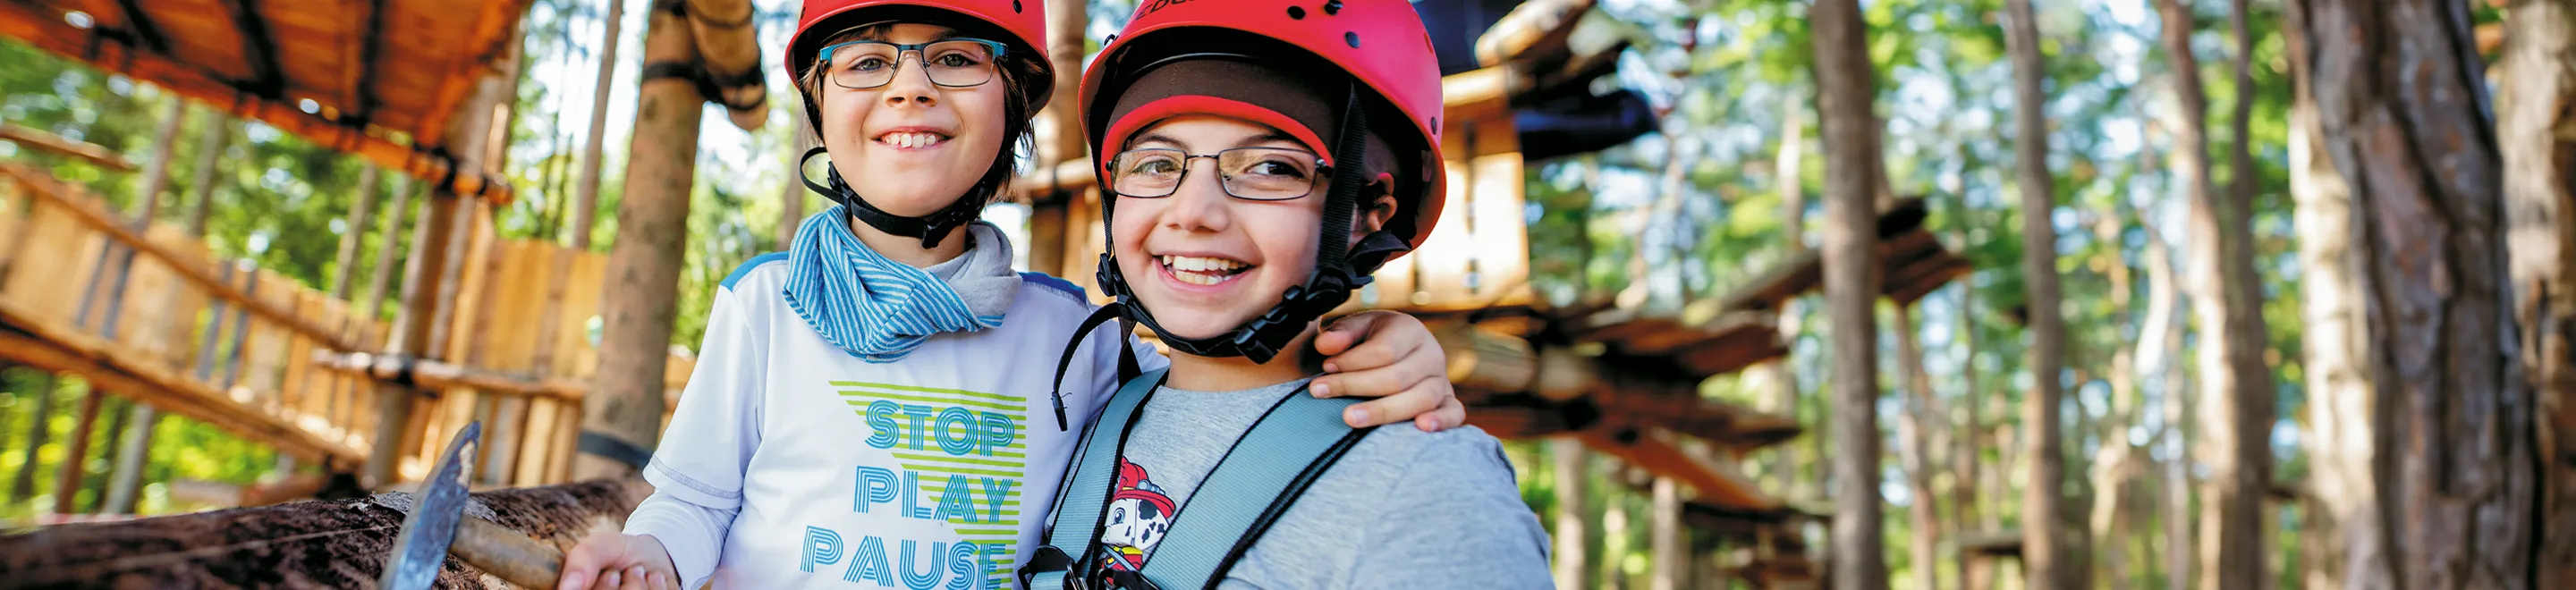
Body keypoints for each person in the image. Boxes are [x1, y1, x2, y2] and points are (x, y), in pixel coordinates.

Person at [552, 0, 1463, 587]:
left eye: (956, 59)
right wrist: (656, 553)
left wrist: (1386, 341)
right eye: (867, 62)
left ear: (1019, 108)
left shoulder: (1074, 333)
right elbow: (698, 498)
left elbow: (1219, 379)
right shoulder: (764, 305)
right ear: (819, 104)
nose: (909, 86)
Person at [1021, 1, 1552, 587]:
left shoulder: (1430, 490)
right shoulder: (1084, 409)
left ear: (1366, 217)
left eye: (1272, 168)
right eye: (1154, 164)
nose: (1193, 212)